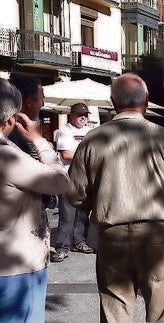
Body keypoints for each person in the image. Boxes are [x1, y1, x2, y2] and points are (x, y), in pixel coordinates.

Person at [65, 73, 164, 322]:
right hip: (156, 235)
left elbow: (75, 194)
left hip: (111, 236)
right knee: (163, 312)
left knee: (115, 313)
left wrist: (98, 199)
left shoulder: (92, 140)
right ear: (147, 100)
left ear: (112, 102)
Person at [0, 79, 70, 322]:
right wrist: (40, 141)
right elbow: (61, 182)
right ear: (10, 120)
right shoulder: (7, 157)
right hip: (15, 268)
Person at [51, 103, 94, 262]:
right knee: (67, 215)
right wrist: (87, 156)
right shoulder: (65, 131)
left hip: (85, 178)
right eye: (79, 114)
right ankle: (62, 247)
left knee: (82, 214)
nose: (83, 117)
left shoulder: (89, 131)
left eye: (85, 115)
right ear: (72, 115)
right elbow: (66, 154)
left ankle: (80, 241)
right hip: (68, 178)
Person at [9, 75, 58, 210]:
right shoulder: (18, 137)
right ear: (29, 102)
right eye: (42, 98)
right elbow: (58, 182)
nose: (43, 104)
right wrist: (40, 142)